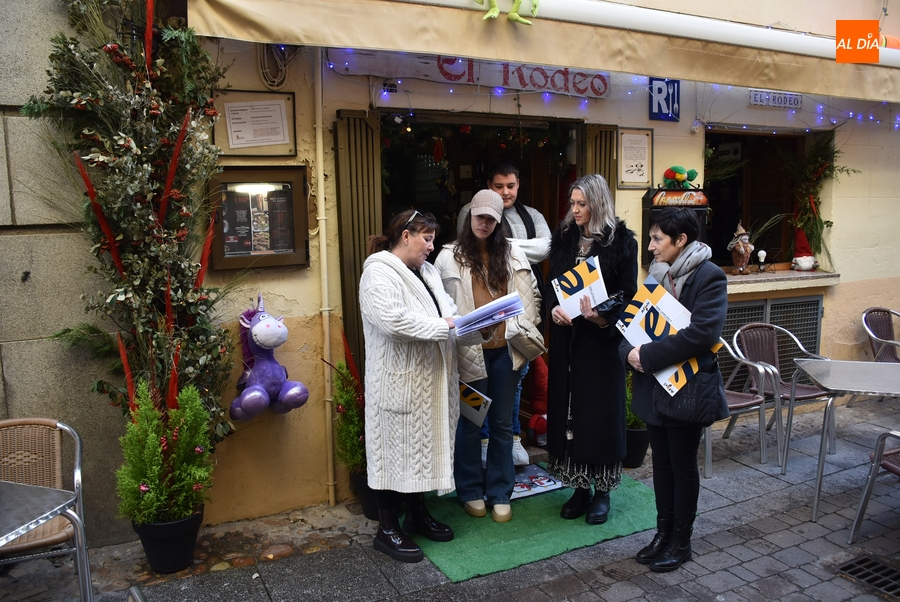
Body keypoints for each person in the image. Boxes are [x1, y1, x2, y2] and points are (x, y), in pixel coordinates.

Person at [358, 209, 484, 563]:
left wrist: (478, 326)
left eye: (432, 238)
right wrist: (445, 327)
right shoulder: (378, 271)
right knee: (392, 453)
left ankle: (416, 514)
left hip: (431, 384)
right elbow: (392, 321)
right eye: (426, 239)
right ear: (406, 236)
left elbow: (450, 315)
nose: (431, 246)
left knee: (421, 451)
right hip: (398, 382)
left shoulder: (427, 272)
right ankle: (387, 528)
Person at [619, 207, 727, 573]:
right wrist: (627, 353)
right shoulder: (656, 276)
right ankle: (662, 534)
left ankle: (682, 540)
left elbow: (702, 334)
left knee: (682, 466)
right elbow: (630, 324)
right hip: (654, 389)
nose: (650, 246)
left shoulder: (710, 277)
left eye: (657, 239)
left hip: (688, 390)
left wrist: (645, 355)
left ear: (681, 241)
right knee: (661, 466)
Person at [436, 189, 544, 523]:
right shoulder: (448, 257)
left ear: (499, 222)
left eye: (490, 219)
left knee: (500, 424)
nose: (484, 223)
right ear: (470, 217)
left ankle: (500, 491)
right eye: (479, 216)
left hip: (506, 354)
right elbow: (438, 305)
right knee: (471, 422)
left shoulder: (513, 254)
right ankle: (469, 489)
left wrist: (523, 325)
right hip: (470, 355)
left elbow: (533, 298)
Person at [546, 174, 638, 525]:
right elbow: (552, 286)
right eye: (572, 204)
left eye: (582, 204)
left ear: (598, 204)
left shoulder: (622, 242)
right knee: (572, 412)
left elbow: (629, 296)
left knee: (601, 414)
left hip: (602, 346)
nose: (575, 210)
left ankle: (603, 492)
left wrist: (602, 318)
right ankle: (579, 488)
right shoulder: (565, 239)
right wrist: (554, 308)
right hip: (568, 342)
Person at [457, 160, 551, 467]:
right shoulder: (468, 214)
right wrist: (521, 246)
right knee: (474, 385)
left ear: (519, 184)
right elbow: (467, 247)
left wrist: (504, 243)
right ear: (488, 185)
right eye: (499, 186)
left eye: (511, 186)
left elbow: (546, 247)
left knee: (515, 379)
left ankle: (511, 438)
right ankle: (481, 442)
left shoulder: (532, 215)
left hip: (518, 314)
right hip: (476, 322)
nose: (506, 192)